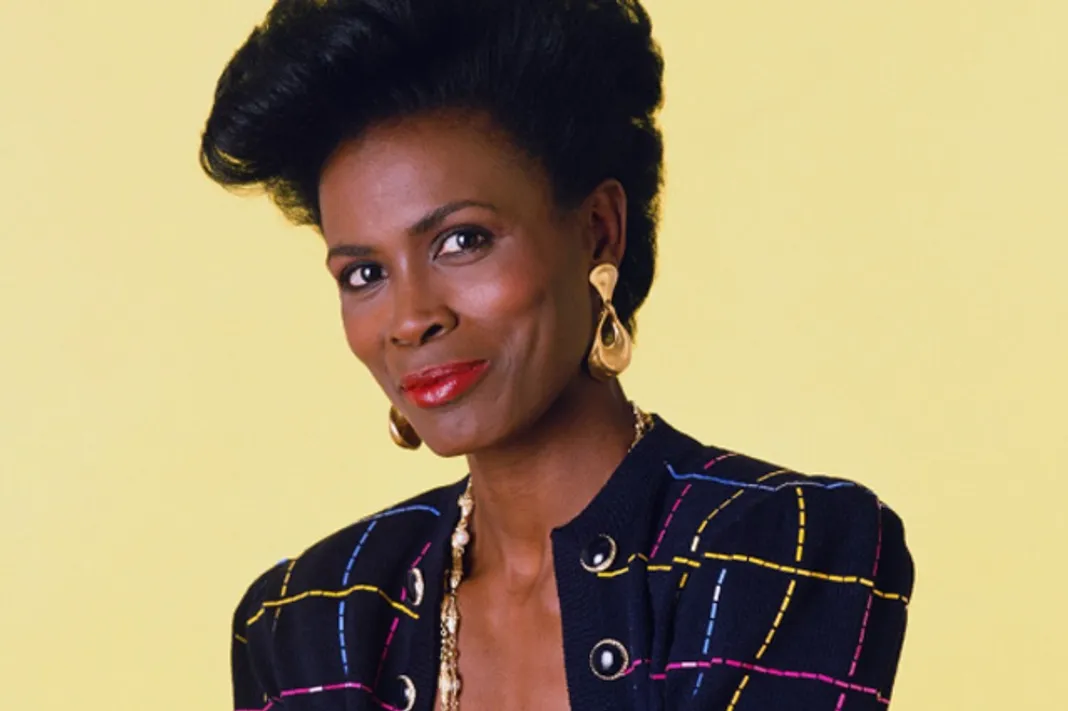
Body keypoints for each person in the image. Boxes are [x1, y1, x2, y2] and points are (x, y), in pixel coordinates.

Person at [200, 1, 914, 709]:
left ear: (598, 231)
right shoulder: (310, 621)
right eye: (364, 273)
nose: (411, 319)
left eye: (462, 241)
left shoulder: (774, 547)